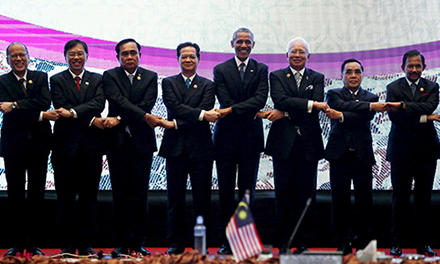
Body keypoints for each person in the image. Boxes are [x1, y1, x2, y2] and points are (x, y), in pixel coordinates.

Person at [264, 37, 327, 254]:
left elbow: (318, 104)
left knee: (306, 195)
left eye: (302, 52)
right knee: (283, 194)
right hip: (283, 143)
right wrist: (309, 104)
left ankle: (302, 241)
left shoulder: (317, 77)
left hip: (308, 144)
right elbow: (280, 100)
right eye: (293, 51)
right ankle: (283, 242)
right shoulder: (277, 75)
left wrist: (288, 112)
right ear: (287, 55)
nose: (297, 55)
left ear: (308, 57)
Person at [103, 38, 162, 256]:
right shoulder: (110, 76)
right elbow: (116, 99)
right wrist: (133, 115)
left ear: (139, 54)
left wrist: (120, 116)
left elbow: (147, 103)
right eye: (125, 54)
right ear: (117, 57)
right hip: (117, 143)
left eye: (133, 53)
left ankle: (138, 241)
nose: (129, 57)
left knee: (140, 194)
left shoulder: (150, 76)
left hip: (142, 143)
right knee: (120, 194)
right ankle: (121, 242)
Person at [159, 42, 219, 255]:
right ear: (178, 59)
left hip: (200, 148)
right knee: (175, 198)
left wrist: (176, 123)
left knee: (201, 199)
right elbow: (174, 106)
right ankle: (175, 242)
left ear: (199, 59)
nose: (188, 60)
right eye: (184, 57)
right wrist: (201, 115)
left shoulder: (208, 85)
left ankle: (200, 242)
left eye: (192, 57)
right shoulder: (168, 82)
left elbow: (201, 109)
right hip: (175, 148)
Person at [212, 27, 268, 255]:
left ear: (253, 45)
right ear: (232, 43)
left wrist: (233, 109)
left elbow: (260, 100)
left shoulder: (261, 69)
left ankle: (243, 241)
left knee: (247, 192)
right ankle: (226, 241)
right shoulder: (221, 69)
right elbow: (224, 99)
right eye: (239, 41)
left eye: (247, 42)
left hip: (251, 139)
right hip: (225, 138)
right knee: (225, 192)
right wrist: (244, 108)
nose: (243, 45)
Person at [324, 59, 388, 255]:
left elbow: (362, 117)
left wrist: (342, 115)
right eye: (349, 72)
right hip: (339, 154)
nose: (353, 75)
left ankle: (362, 242)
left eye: (357, 72)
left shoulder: (372, 96)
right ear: (342, 75)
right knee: (339, 200)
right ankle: (342, 242)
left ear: (362, 74)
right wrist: (367, 107)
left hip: (362, 155)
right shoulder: (333, 94)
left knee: (364, 201)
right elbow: (343, 107)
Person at [50, 39, 106, 256]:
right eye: (72, 54)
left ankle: (85, 243)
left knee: (88, 198)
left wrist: (73, 113)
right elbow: (60, 106)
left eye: (80, 53)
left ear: (87, 56)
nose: (76, 57)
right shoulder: (56, 79)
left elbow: (98, 104)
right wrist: (89, 117)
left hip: (91, 149)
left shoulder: (97, 79)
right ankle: (67, 243)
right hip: (65, 150)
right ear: (65, 56)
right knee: (65, 198)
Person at [0, 42, 55, 256]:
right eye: (13, 56)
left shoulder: (40, 77)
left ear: (29, 57)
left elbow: (44, 101)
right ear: (7, 60)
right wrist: (36, 112)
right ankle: (16, 243)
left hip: (39, 145)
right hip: (14, 146)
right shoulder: (2, 81)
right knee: (15, 196)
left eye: (21, 54)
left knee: (36, 195)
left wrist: (15, 105)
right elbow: (7, 109)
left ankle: (33, 243)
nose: (18, 59)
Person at [386, 50, 440, 257]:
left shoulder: (432, 86)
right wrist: (426, 117)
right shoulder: (392, 87)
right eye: (410, 66)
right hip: (400, 151)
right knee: (399, 198)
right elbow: (396, 119)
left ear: (424, 68)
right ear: (403, 68)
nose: (414, 70)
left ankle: (423, 244)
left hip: (426, 151)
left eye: (418, 66)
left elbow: (429, 105)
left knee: (424, 199)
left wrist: (402, 106)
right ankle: (396, 243)